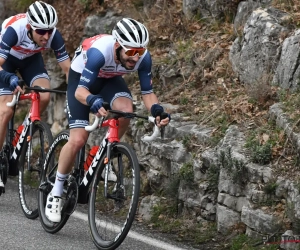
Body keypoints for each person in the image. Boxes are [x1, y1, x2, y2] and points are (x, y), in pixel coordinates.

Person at [45, 17, 171, 222]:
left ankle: (104, 150)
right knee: (78, 140)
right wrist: (92, 100)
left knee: (126, 110)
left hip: (109, 81)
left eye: (139, 52)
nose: (135, 58)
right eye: (130, 52)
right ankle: (56, 191)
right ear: (117, 46)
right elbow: (80, 92)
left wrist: (157, 110)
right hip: (82, 83)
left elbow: (148, 92)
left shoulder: (142, 57)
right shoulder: (98, 53)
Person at [0, 1, 71, 195]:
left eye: (49, 31)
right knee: (5, 110)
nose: (46, 36)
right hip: (5, 63)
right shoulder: (14, 31)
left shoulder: (53, 36)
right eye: (41, 31)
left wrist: (76, 94)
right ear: (30, 27)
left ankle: (20, 139)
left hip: (31, 61)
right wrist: (10, 78)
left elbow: (67, 69)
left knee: (44, 96)